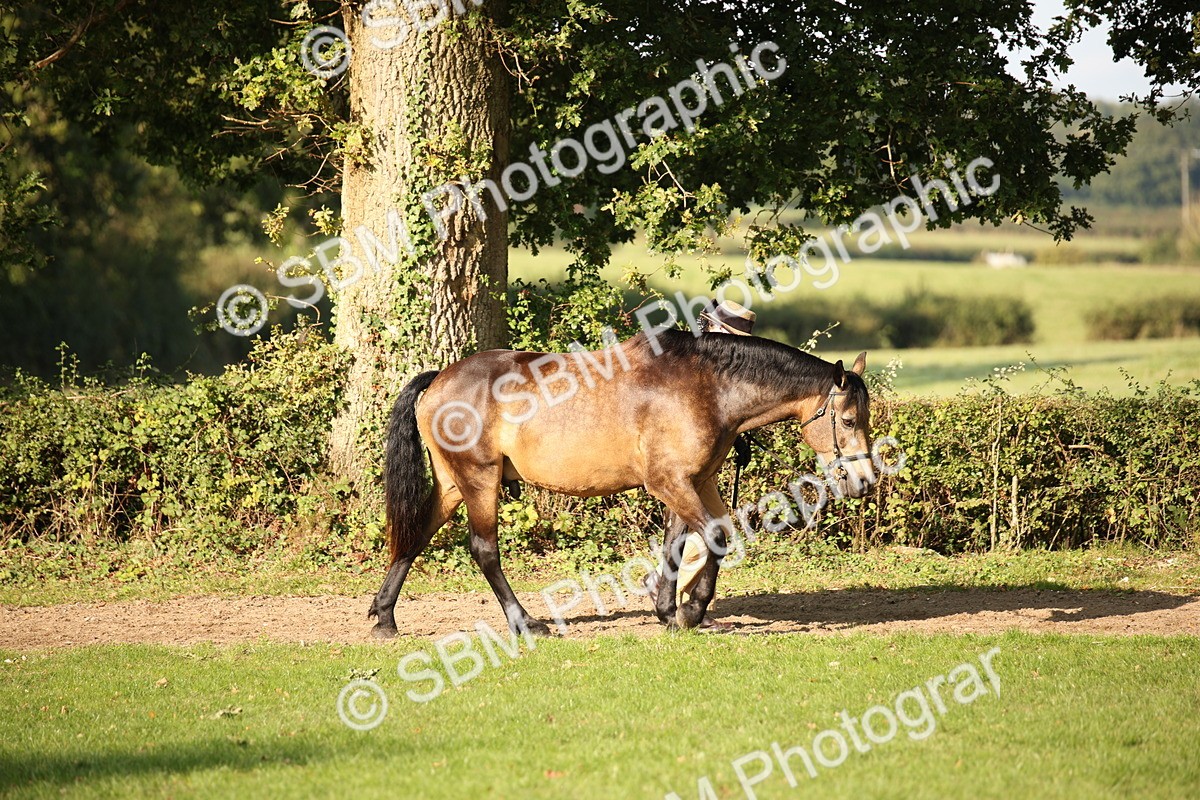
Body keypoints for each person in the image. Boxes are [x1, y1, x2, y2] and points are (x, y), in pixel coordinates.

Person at [645, 299, 756, 630]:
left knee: (717, 529)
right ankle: (668, 589)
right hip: (681, 465)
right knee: (715, 531)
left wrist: (739, 440)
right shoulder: (694, 363)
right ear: (718, 329)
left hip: (699, 465)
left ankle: (666, 585)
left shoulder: (718, 365)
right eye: (735, 336)